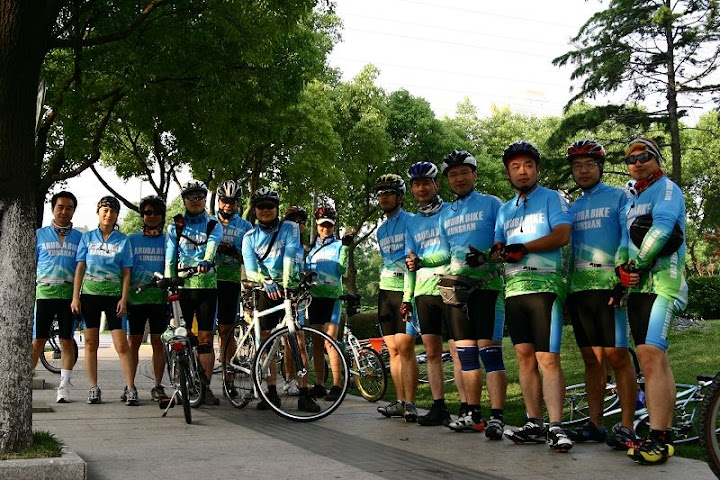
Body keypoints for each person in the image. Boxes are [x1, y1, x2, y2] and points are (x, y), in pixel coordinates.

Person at [492, 141, 573, 451]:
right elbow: (499, 246)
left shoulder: (552, 198)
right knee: (524, 358)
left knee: (547, 358)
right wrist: (496, 253)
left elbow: (562, 235)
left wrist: (524, 247)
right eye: (515, 167)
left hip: (545, 287)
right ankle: (534, 422)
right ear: (508, 173)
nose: (522, 171)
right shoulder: (504, 209)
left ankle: (556, 426)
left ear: (537, 169)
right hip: (514, 289)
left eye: (528, 165)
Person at [563, 140, 638, 448]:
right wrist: (567, 291)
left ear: (601, 167)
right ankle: (595, 424)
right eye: (577, 166)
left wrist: (624, 277)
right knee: (592, 359)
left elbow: (628, 237)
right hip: (580, 289)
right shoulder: (572, 208)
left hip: (610, 285)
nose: (583, 171)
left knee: (617, 356)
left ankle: (627, 426)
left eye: (590, 165)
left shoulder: (619, 196)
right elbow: (570, 251)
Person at [617, 138, 687, 465]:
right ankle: (665, 435)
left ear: (657, 159)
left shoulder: (667, 189)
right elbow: (624, 242)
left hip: (664, 284)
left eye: (644, 156)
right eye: (631, 159)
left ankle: (657, 439)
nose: (638, 162)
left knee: (649, 356)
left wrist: (636, 265)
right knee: (655, 360)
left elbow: (662, 230)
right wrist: (623, 272)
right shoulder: (633, 199)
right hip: (639, 288)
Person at [430, 150, 508, 439]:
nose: (459, 178)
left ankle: (497, 417)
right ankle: (473, 414)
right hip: (457, 290)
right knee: (466, 355)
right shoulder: (445, 214)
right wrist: (419, 260)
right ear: (447, 181)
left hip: (487, 287)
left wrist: (487, 255)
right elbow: (444, 252)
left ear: (475, 175)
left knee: (490, 353)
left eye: (464, 172)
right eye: (453, 174)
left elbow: (504, 242)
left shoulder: (492, 204)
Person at [241, 187, 319, 412]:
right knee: (267, 341)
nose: (265, 210)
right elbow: (250, 268)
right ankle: (271, 391)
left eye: (270, 206)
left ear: (277, 208)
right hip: (264, 288)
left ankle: (304, 392)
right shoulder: (249, 237)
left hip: (287, 286)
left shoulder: (290, 228)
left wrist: (287, 285)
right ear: (255, 210)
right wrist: (266, 280)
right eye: (261, 206)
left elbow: (290, 255)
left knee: (298, 339)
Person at [404, 161, 462, 427]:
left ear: (436, 184)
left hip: (449, 285)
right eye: (416, 184)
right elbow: (410, 262)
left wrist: (424, 261)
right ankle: (439, 406)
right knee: (431, 352)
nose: (421, 188)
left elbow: (451, 251)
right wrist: (407, 297)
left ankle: (467, 406)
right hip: (423, 292)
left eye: (426, 183)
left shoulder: (450, 211)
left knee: (458, 350)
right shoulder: (412, 222)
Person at [71, 196, 136, 405]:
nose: (108, 215)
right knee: (91, 343)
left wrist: (124, 298)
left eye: (112, 211)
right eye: (105, 210)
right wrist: (75, 297)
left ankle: (131, 388)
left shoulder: (123, 240)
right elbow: (80, 268)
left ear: (117, 215)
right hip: (90, 296)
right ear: (98, 212)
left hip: (114, 297)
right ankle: (93, 388)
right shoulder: (87, 238)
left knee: (121, 344)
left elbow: (126, 272)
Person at [164, 181, 223, 404]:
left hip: (207, 287)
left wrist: (207, 260)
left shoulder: (213, 224)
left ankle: (205, 388)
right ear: (184, 200)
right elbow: (170, 257)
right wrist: (170, 281)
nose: (195, 200)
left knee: (206, 339)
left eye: (199, 196)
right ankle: (181, 384)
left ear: (205, 199)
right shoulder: (176, 226)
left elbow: (212, 246)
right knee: (181, 335)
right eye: (191, 196)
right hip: (183, 289)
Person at [374, 174, 420, 423]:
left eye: (389, 193)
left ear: (400, 197)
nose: (384, 197)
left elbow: (412, 260)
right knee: (392, 349)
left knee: (405, 347)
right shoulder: (380, 230)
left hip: (405, 289)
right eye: (380, 194)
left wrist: (408, 296)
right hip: (385, 290)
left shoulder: (411, 221)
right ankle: (400, 401)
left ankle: (411, 402)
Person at [33, 191, 83, 403]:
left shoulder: (80, 238)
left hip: (69, 296)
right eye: (60, 207)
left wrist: (77, 296)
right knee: (38, 341)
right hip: (44, 294)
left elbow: (82, 267)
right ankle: (24, 383)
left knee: (66, 341)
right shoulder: (39, 235)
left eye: (69, 208)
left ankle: (64, 387)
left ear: (73, 211)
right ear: (53, 209)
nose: (64, 211)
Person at [304, 205, 351, 402]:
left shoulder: (339, 245)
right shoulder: (310, 249)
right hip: (314, 298)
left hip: (333, 298)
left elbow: (342, 271)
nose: (325, 229)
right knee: (316, 342)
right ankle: (320, 384)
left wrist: (346, 248)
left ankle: (337, 385)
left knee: (330, 342)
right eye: (322, 225)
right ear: (317, 225)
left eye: (329, 225)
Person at [127, 195, 170, 403]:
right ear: (142, 216)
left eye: (156, 212)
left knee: (158, 343)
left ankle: (158, 385)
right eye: (147, 212)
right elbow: (125, 270)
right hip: (135, 300)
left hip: (160, 301)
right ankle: (129, 385)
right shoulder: (132, 240)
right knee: (133, 342)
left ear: (162, 215)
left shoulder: (169, 240)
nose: (151, 216)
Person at [214, 180, 253, 401]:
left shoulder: (246, 227)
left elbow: (248, 259)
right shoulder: (209, 222)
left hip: (230, 282)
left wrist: (234, 252)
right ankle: (199, 380)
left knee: (226, 331)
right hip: (207, 282)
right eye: (225, 200)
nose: (228, 205)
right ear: (219, 201)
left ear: (238, 203)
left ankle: (228, 379)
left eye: (233, 201)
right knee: (202, 332)